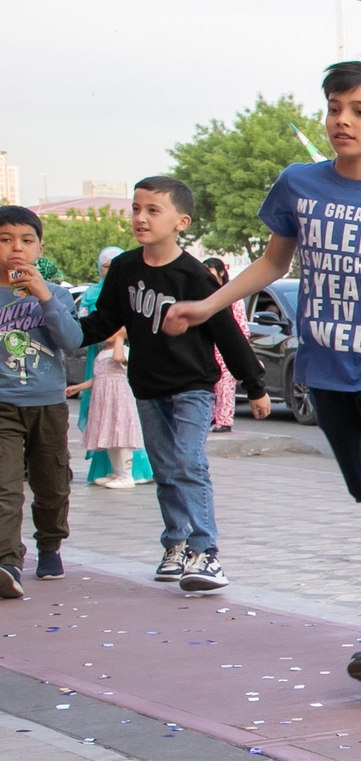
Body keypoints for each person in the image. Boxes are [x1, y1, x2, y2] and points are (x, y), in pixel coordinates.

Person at [166, 62, 361, 692]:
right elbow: (272, 261)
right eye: (334, 107)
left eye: (359, 110)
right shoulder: (298, 184)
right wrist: (207, 307)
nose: (342, 119)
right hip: (323, 367)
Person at [82, 179, 272, 593]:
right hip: (147, 387)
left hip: (192, 386)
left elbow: (226, 331)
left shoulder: (194, 275)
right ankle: (176, 544)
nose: (140, 218)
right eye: (136, 209)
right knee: (166, 470)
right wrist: (65, 331)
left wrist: (254, 384)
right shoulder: (124, 268)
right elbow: (104, 319)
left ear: (180, 222)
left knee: (188, 462)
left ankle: (207, 553)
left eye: (153, 210)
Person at [0, 206, 88, 595]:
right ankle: (8, 563)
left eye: (25, 240)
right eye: (4, 240)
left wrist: (44, 296)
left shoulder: (58, 294)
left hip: (48, 404)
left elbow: (71, 342)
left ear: (40, 247)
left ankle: (50, 545)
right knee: (5, 488)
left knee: (51, 483)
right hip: (3, 404)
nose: (15, 249)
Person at [77, 247, 146, 491]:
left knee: (123, 424)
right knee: (103, 418)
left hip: (122, 352)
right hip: (97, 352)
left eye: (113, 265)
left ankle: (133, 471)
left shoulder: (133, 288)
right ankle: (109, 469)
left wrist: (120, 337)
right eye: (105, 266)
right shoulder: (91, 293)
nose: (109, 270)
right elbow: (84, 319)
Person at [204, 258, 248, 432]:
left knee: (225, 384)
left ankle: (224, 420)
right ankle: (211, 417)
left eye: (211, 270)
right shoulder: (204, 295)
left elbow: (241, 325)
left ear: (221, 272)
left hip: (226, 347)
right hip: (208, 346)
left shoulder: (232, 296)